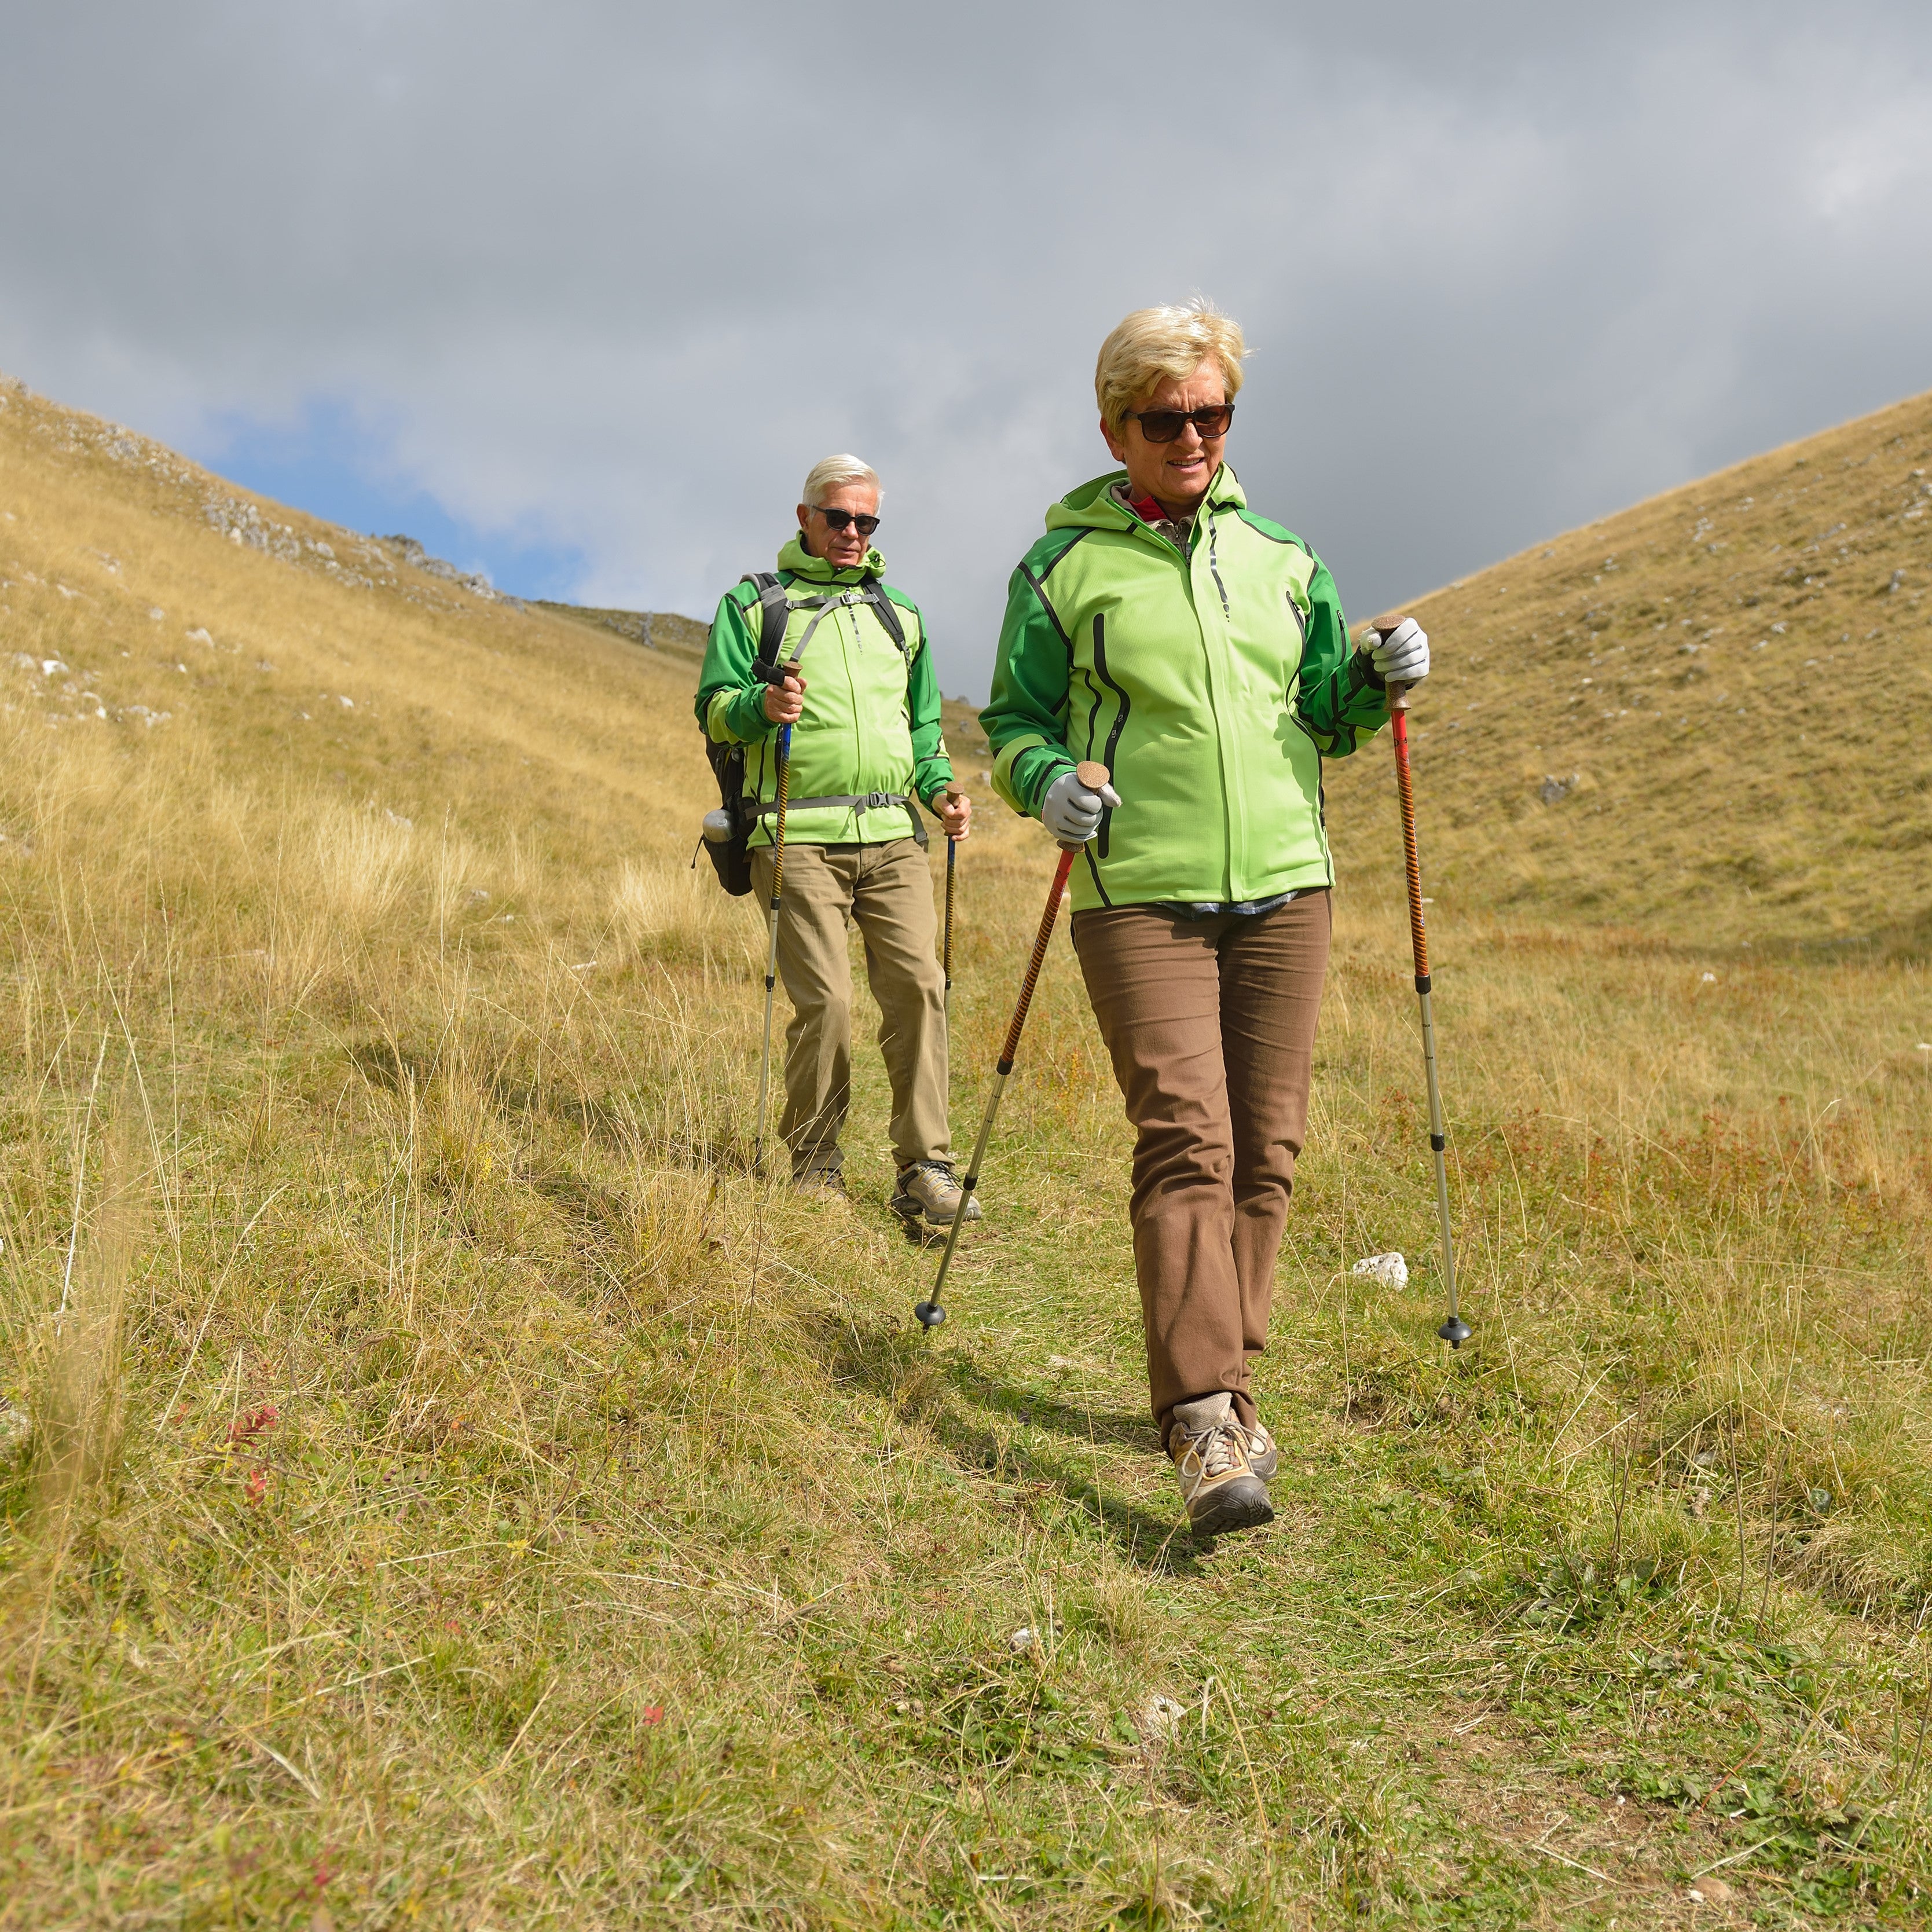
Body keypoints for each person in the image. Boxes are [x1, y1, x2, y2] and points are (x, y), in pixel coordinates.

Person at [980, 303, 1429, 1537]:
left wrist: (1380, 674)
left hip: (1289, 882)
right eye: (1166, 418)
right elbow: (1012, 722)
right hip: (1140, 888)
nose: (1193, 437)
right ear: (1115, 424)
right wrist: (1046, 786)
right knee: (1187, 1136)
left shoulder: (1285, 559)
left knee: (1267, 1150)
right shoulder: (1060, 570)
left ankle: (1226, 1379)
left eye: (1213, 413)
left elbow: (1326, 711)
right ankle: (1200, 1417)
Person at [696, 455, 978, 1228]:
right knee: (826, 1001)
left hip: (894, 834)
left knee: (921, 988)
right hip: (794, 833)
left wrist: (940, 791)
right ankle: (815, 1163)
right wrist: (762, 704)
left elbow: (921, 730)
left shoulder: (901, 616)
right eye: (839, 518)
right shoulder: (755, 607)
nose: (853, 533)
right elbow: (715, 708)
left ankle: (926, 1167)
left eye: (867, 521)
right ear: (804, 518)